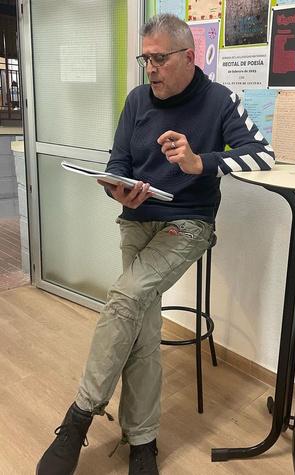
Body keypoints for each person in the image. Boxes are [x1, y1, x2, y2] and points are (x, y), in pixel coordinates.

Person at [36, 13, 275, 475]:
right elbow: (118, 161)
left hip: (187, 224)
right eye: (145, 59)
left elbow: (263, 156)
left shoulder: (220, 100)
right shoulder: (136, 101)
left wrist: (199, 163)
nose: (151, 69)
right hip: (137, 219)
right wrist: (118, 190)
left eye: (160, 59)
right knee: (142, 326)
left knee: (126, 297)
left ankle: (79, 416)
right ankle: (143, 441)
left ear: (189, 56)